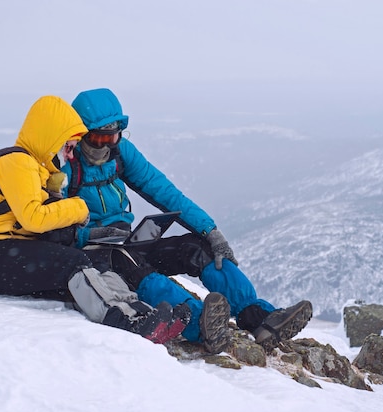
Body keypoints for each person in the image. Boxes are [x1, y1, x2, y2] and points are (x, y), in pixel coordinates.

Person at [61, 88, 313, 351]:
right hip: (93, 254)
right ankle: (198, 324)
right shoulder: (65, 163)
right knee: (138, 269)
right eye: (98, 138)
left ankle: (258, 317)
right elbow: (49, 224)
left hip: (125, 240)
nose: (105, 145)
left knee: (197, 249)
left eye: (111, 137)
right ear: (80, 134)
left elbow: (163, 191)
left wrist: (209, 230)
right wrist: (87, 236)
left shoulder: (121, 153)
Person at [0, 95, 190, 344]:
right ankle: (121, 320)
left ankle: (138, 311)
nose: (71, 155)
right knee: (74, 262)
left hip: (11, 253)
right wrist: (78, 207)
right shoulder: (17, 162)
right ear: (52, 139)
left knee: (95, 264)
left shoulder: (37, 168)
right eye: (68, 147)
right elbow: (33, 219)